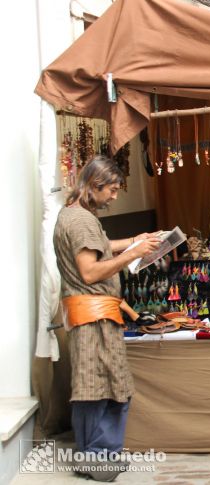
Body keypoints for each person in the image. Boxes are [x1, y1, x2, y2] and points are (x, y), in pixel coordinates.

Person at [53, 156, 161, 481]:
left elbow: (95, 249)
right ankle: (98, 458)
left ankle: (95, 458)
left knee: (97, 385)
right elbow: (89, 271)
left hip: (92, 315)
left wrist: (133, 241)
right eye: (112, 190)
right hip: (94, 317)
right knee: (100, 387)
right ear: (94, 185)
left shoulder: (72, 214)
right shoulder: (82, 220)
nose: (114, 196)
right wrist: (132, 255)